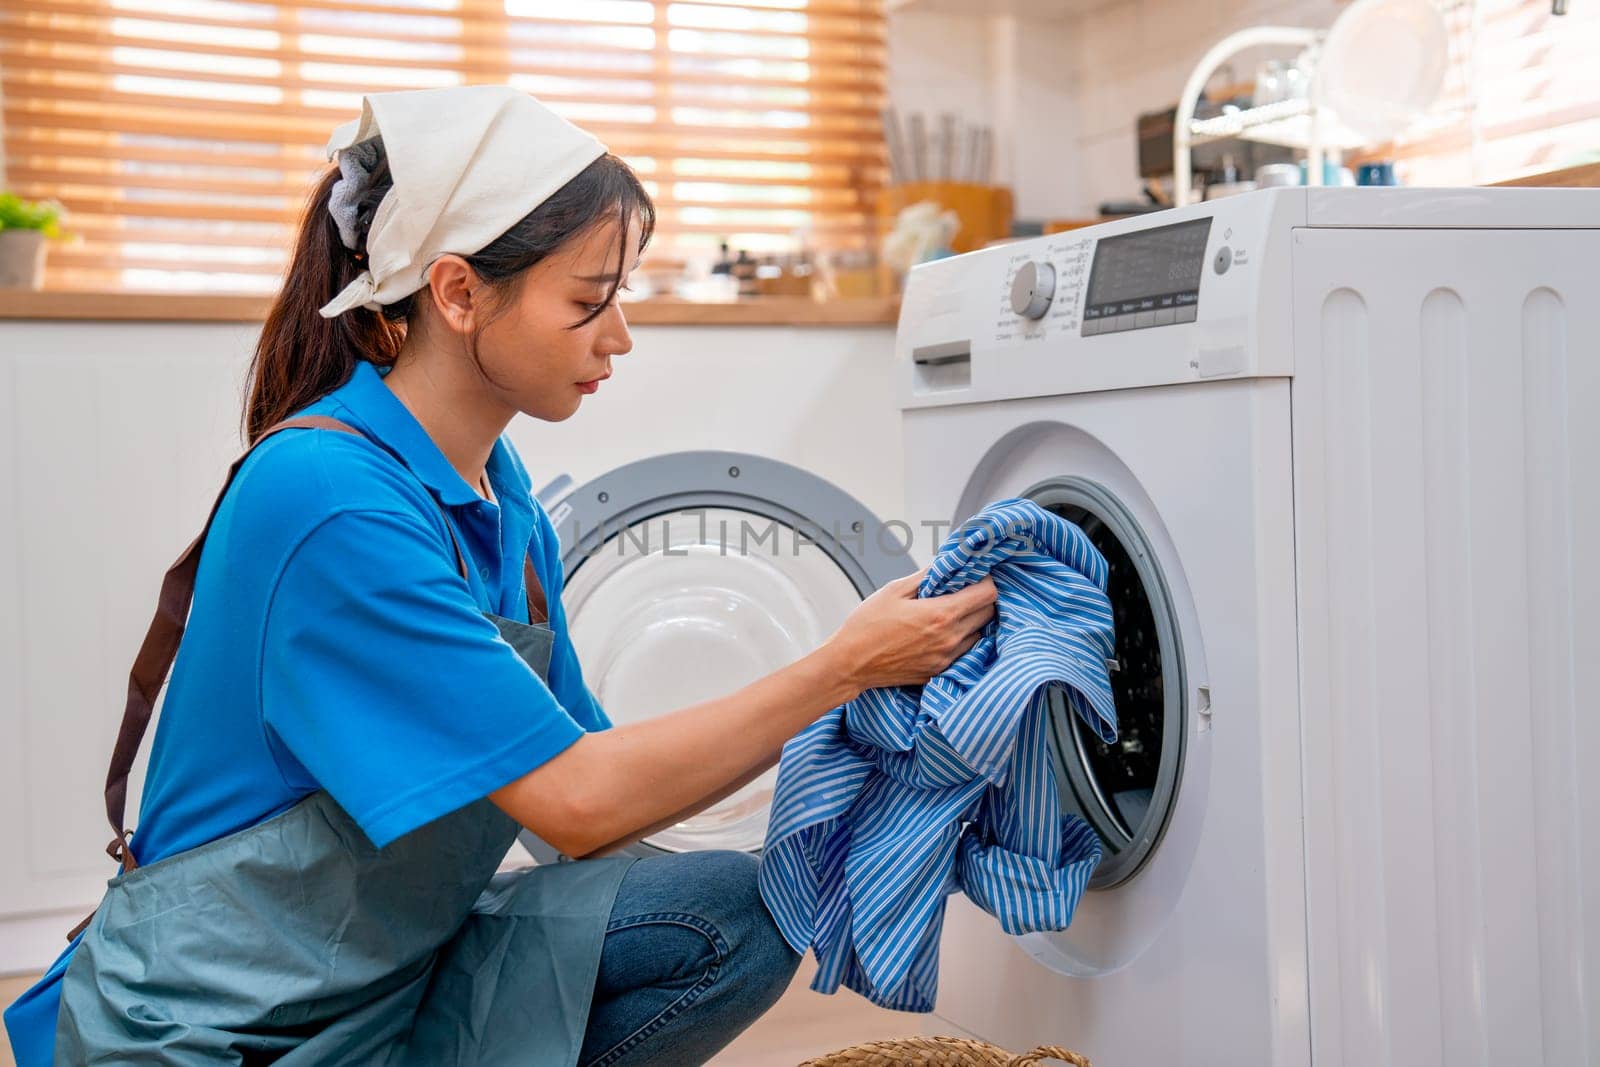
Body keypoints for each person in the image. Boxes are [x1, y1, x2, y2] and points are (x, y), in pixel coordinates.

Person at [3, 86, 996, 1067]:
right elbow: (575, 802)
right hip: (216, 1028)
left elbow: (598, 789)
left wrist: (857, 781)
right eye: (587, 299)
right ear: (458, 291)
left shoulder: (496, 492)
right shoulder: (332, 496)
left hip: (382, 976)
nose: (619, 336)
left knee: (736, 912)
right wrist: (842, 669)